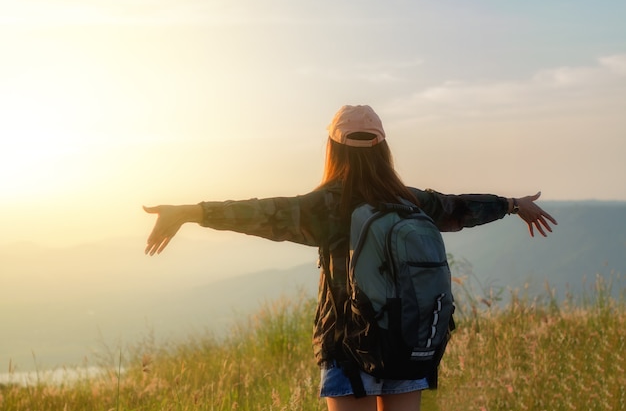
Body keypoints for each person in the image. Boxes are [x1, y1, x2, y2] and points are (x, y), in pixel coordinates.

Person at [144, 105, 557, 411]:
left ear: (333, 148)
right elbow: (460, 207)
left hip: (348, 342)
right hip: (407, 339)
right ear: (383, 149)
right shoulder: (409, 200)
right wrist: (512, 204)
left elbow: (262, 213)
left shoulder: (328, 207)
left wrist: (192, 212)